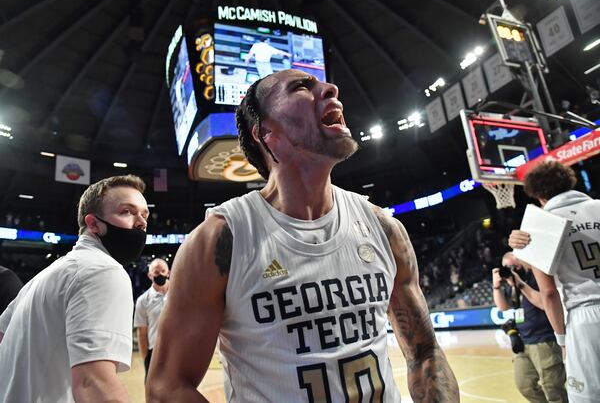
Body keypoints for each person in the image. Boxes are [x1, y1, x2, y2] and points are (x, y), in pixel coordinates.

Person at [146, 69, 459, 402]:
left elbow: (425, 351)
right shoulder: (221, 240)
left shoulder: (383, 227)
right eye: (301, 87)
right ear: (266, 133)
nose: (330, 89)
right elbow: (167, 386)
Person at [0, 175, 149, 402]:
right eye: (127, 211)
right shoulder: (102, 270)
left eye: (144, 214)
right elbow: (93, 384)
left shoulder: (40, 279)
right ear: (93, 223)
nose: (141, 222)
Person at [509, 160, 600, 402]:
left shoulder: (537, 226)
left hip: (585, 317)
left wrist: (561, 340)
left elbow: (549, 293)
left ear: (538, 194)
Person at [492, 252, 567, 402]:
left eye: (513, 265)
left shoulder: (536, 277)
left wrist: (520, 283)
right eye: (506, 267)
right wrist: (497, 286)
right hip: (523, 341)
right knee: (524, 385)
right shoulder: (511, 284)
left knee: (552, 386)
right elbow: (503, 307)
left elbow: (544, 302)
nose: (511, 270)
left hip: (544, 339)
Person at [134, 258, 170, 381]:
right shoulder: (142, 301)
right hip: (155, 352)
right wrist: (146, 360)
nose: (160, 274)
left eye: (163, 271)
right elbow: (141, 333)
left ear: (168, 273)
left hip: (178, 351)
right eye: (156, 272)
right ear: (150, 275)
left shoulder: (179, 294)